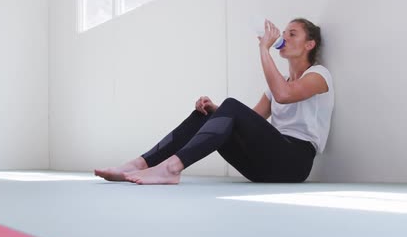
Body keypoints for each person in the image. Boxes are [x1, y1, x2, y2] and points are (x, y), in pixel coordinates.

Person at [95, 18, 333, 184]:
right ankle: (140, 164)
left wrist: (264, 49)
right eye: (284, 33)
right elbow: (253, 119)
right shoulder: (278, 81)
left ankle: (171, 168)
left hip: (294, 162)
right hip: (264, 165)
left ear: (309, 45)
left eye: (292, 34)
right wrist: (216, 111)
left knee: (229, 105)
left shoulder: (319, 75)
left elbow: (284, 94)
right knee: (209, 113)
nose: (284, 38)